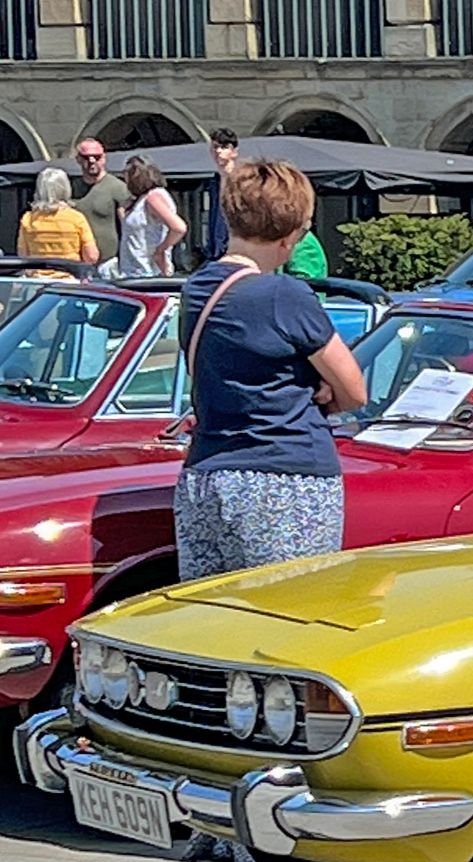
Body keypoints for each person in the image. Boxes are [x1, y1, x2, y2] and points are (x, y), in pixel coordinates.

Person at [172, 158, 366, 585]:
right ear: (291, 235)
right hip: (284, 477)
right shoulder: (284, 294)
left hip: (205, 475)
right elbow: (354, 390)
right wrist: (321, 391)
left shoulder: (197, 287)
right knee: (288, 616)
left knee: (207, 624)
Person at [115, 156, 188, 278]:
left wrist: (161, 250)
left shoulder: (153, 198)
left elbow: (179, 227)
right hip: (133, 271)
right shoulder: (141, 200)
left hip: (147, 272)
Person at [16, 168, 97, 264]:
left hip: (37, 277)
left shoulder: (28, 219)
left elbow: (22, 254)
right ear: (65, 188)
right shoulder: (76, 218)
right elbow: (91, 256)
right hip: (68, 276)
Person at [70, 137, 130, 266]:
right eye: (86, 157)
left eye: (96, 157)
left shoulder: (118, 188)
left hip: (109, 263)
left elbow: (128, 227)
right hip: (77, 262)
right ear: (78, 159)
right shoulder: (70, 189)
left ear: (104, 158)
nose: (91, 161)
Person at [205, 128, 240, 261]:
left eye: (224, 147)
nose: (218, 151)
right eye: (215, 147)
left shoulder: (241, 180)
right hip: (216, 251)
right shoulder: (214, 181)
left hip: (236, 248)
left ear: (234, 151)